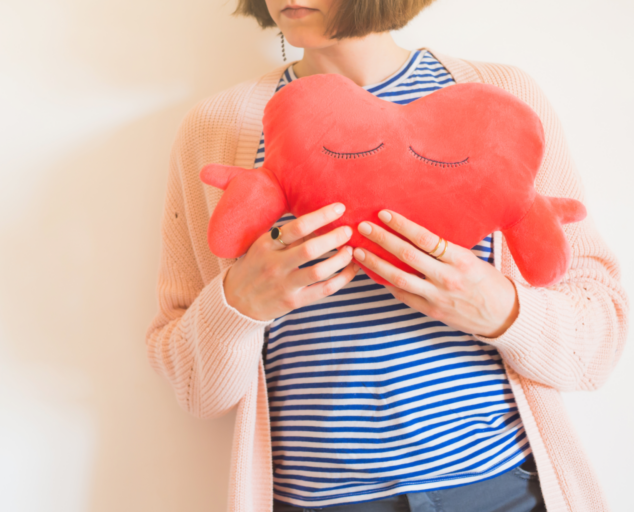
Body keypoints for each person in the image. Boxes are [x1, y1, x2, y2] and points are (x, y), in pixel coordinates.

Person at [146, 1, 629, 511]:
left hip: (499, 489)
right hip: (322, 502)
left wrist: (503, 310)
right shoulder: (218, 128)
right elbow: (196, 390)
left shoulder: (501, 101)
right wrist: (238, 304)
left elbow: (599, 338)